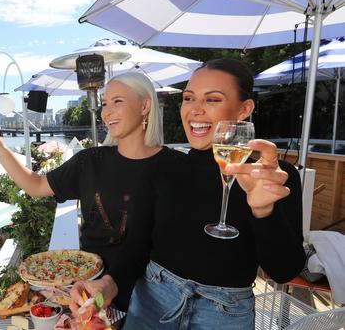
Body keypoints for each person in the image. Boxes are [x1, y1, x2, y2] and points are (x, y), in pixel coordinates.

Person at [69, 59, 305, 329]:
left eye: (212, 99)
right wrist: (107, 285)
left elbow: (285, 270)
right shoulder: (164, 168)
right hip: (153, 302)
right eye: (188, 98)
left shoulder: (271, 176)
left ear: (244, 109)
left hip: (224, 314)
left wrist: (264, 213)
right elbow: (137, 247)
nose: (195, 110)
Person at [0, 72, 174, 309]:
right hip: (89, 292)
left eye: (117, 101)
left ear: (145, 106)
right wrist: (0, 149)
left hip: (152, 298)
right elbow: (36, 186)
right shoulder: (89, 162)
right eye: (104, 103)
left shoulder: (173, 166)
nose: (106, 112)